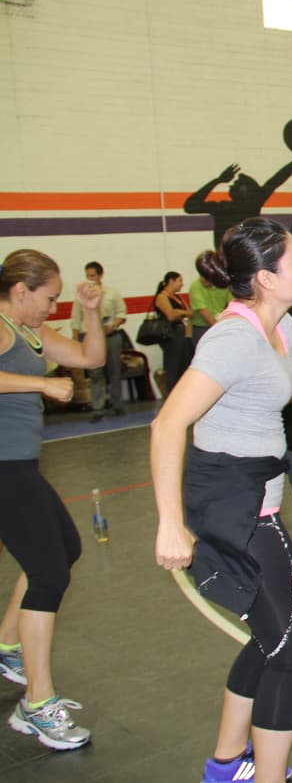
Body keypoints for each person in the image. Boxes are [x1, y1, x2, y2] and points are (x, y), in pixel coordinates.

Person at [150, 218, 292, 783]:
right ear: (268, 280)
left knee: (271, 637)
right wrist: (169, 525)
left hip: (260, 500)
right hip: (235, 506)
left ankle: (225, 764)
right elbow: (166, 425)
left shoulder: (283, 329)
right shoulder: (233, 338)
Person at [0, 250, 104, 751]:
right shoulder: (1, 325)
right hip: (2, 468)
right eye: (49, 298)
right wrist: (40, 381)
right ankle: (37, 705)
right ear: (21, 290)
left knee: (63, 549)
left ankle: (7, 646)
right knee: (49, 573)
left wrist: (88, 312)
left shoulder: (30, 334)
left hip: (19, 466)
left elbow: (91, 359)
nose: (51, 307)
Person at [183, 140, 292, 248]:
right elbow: (189, 207)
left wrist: (218, 180)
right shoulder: (250, 204)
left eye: (237, 183)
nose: (232, 184)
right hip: (235, 262)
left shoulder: (227, 207)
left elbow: (279, 177)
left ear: (246, 190)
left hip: (235, 262)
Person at [71, 261, 127, 419]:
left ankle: (117, 404)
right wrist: (76, 339)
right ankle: (98, 407)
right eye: (87, 276)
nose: (90, 279)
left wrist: (114, 325)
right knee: (95, 373)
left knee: (115, 370)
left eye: (93, 276)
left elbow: (121, 313)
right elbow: (76, 319)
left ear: (100, 275)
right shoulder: (81, 295)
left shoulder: (111, 292)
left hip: (110, 336)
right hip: (89, 337)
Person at [153, 271, 193, 393]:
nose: (182, 284)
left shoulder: (178, 297)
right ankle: (172, 395)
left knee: (186, 366)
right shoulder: (162, 297)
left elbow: (191, 313)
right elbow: (170, 315)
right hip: (172, 336)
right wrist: (180, 313)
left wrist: (179, 312)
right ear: (171, 281)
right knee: (173, 368)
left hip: (184, 334)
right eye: (180, 281)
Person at [190, 265, 232, 349]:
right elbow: (203, 311)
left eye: (206, 277)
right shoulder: (195, 286)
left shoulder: (224, 285)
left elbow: (232, 304)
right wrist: (219, 329)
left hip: (222, 325)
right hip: (202, 329)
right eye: (201, 276)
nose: (203, 280)